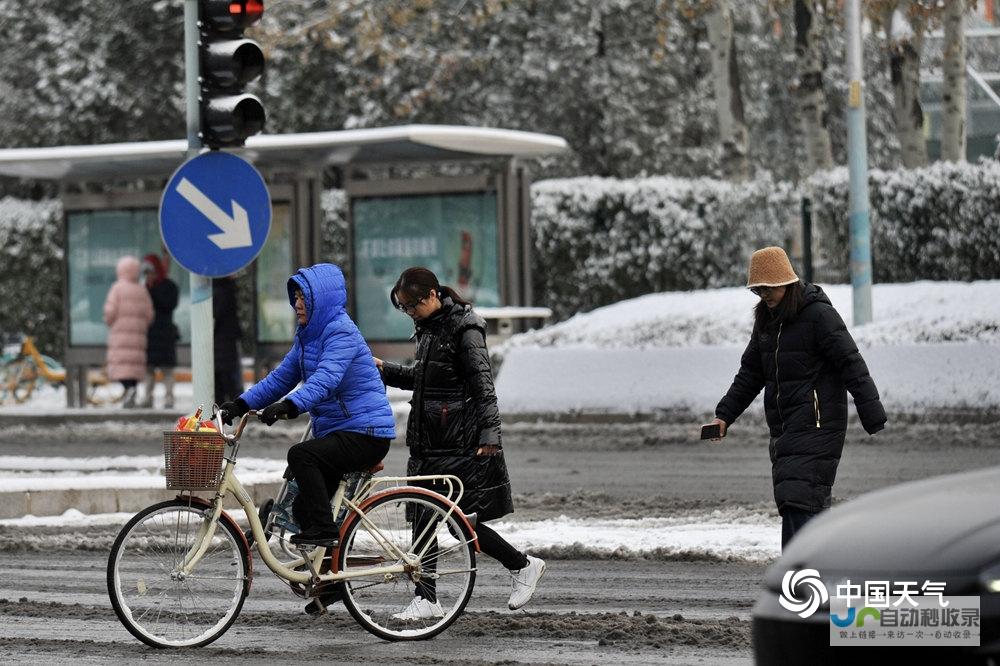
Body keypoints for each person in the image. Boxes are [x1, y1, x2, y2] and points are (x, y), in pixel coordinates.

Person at [375, 266, 546, 620]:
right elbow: (423, 381)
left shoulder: (464, 329)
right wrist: (385, 369)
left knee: (459, 521)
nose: (410, 313)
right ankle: (427, 597)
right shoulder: (428, 329)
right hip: (429, 443)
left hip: (459, 442)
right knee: (422, 519)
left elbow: (484, 386)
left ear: (432, 295)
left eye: (412, 305)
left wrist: (490, 435)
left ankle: (522, 565)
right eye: (404, 308)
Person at [708, 247, 886, 549]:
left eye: (768, 287)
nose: (763, 294)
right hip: (785, 428)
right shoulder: (767, 321)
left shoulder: (819, 315)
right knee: (797, 503)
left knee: (801, 501)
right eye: (758, 289)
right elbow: (751, 373)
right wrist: (724, 415)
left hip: (818, 425)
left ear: (786, 282)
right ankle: (808, 585)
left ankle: (803, 584)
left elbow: (850, 362)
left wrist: (872, 413)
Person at [219, 263, 395, 551]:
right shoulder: (308, 335)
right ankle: (331, 578)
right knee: (302, 510)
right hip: (340, 432)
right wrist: (240, 404)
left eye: (304, 298)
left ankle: (326, 531)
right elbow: (281, 377)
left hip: (366, 433)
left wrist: (290, 406)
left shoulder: (341, 333)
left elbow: (326, 379)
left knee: (301, 455)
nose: (298, 304)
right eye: (296, 298)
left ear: (320, 300)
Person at [104, 256, 154, 409]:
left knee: (122, 364)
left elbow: (109, 311)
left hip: (120, 334)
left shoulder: (117, 288)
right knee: (134, 364)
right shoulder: (141, 290)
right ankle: (132, 389)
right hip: (138, 335)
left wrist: (110, 321)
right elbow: (149, 314)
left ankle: (128, 390)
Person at [139, 252, 179, 409]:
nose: (149, 276)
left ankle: (169, 398)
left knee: (167, 370)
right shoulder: (145, 288)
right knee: (148, 369)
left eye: (152, 272)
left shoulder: (168, 287)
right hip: (149, 334)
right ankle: (147, 397)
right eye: (147, 273)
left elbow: (168, 304)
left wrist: (152, 292)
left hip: (164, 334)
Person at [213, 275, 243, 404]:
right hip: (227, 339)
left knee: (224, 375)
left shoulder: (220, 291)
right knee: (228, 373)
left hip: (221, 339)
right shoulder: (229, 290)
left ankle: (227, 402)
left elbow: (216, 314)